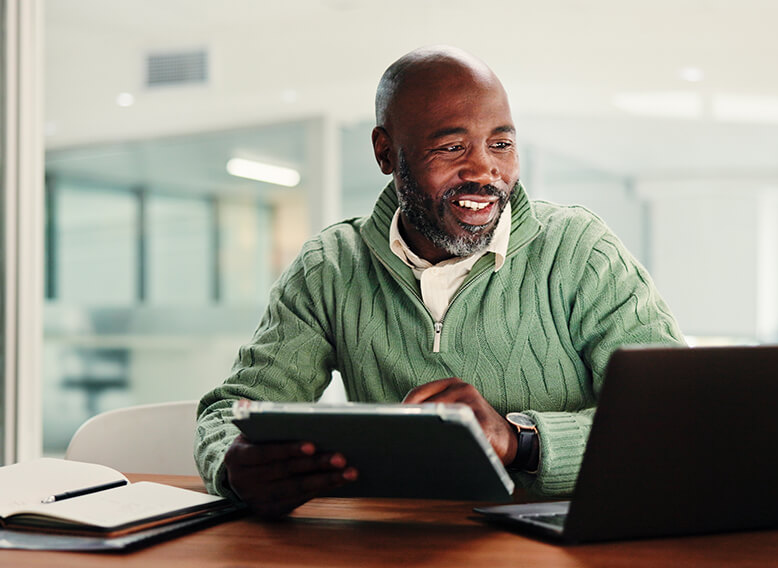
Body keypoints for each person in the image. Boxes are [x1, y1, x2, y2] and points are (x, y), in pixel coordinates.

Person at [194, 45, 685, 518]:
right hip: (402, 540)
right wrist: (232, 467)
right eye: (452, 147)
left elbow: (676, 416)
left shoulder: (579, 249)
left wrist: (518, 441)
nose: (485, 170)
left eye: (501, 144)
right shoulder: (330, 267)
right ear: (386, 152)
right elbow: (229, 411)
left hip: (566, 542)